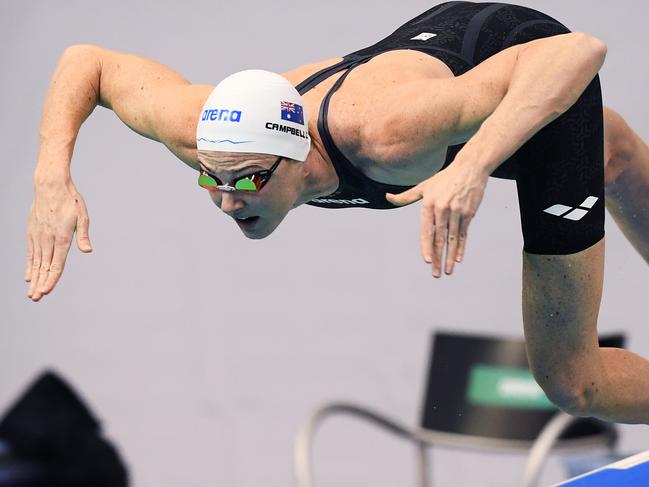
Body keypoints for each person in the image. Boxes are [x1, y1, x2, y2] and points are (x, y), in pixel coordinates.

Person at [25, 2, 649, 423]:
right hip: (450, 86)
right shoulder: (205, 133)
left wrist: (470, 167)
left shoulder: (388, 133)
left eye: (246, 179)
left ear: (299, 155)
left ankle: (577, 140)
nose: (227, 199)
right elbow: (90, 61)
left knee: (572, 382)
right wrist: (52, 175)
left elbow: (578, 50)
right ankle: (598, 145)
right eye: (209, 180)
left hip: (530, 67)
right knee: (603, 153)